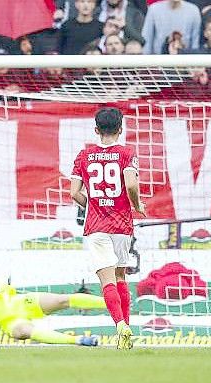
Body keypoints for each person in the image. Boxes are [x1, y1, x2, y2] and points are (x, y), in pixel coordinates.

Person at [68, 107, 145, 350]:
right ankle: (127, 334)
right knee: (121, 276)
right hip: (121, 226)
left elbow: (74, 193)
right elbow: (131, 185)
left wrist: (92, 204)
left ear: (96, 130)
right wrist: (137, 205)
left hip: (96, 226)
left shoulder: (84, 155)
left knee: (107, 281)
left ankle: (120, 326)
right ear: (120, 129)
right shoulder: (126, 153)